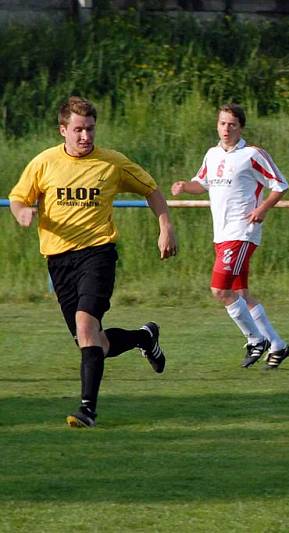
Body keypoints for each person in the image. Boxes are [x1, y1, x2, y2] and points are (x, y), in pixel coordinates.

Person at [8, 96, 177, 429]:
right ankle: (144, 338)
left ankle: (88, 411)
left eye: (90, 129)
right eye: (78, 130)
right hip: (58, 261)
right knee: (93, 342)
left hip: (97, 254)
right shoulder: (44, 163)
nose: (85, 137)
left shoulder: (111, 163)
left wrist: (165, 227)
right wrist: (22, 212)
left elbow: (152, 189)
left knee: (87, 327)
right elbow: (18, 197)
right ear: (63, 130)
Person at [171, 104, 289, 370]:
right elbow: (201, 183)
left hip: (242, 232)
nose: (226, 129)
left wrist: (262, 208)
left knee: (219, 290)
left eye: (232, 125)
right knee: (240, 293)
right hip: (222, 234)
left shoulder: (252, 154)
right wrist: (183, 186)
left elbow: (281, 184)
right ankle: (278, 345)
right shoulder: (212, 155)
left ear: (241, 128)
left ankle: (255, 339)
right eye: (222, 123)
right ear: (217, 125)